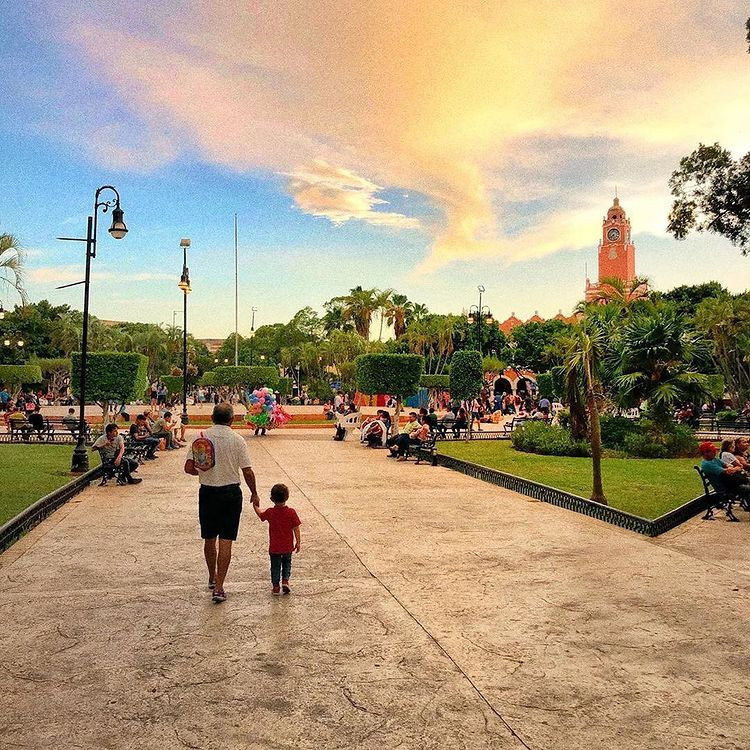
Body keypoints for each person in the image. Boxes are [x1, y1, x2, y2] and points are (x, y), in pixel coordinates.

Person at [184, 402, 260, 604]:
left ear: (212, 417)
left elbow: (189, 469)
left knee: (209, 538)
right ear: (232, 419)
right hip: (230, 494)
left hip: (207, 492)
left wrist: (204, 470)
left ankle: (211, 576)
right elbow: (247, 471)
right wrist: (254, 492)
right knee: (226, 540)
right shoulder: (238, 440)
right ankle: (219, 587)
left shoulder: (200, 438)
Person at [252, 483, 301, 595]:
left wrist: (255, 505)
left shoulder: (270, 512)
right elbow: (296, 528)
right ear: (287, 497)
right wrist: (298, 542)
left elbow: (260, 515)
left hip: (274, 547)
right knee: (287, 564)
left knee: (275, 567)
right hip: (287, 546)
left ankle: (275, 587)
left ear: (271, 499)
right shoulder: (291, 512)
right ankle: (285, 581)